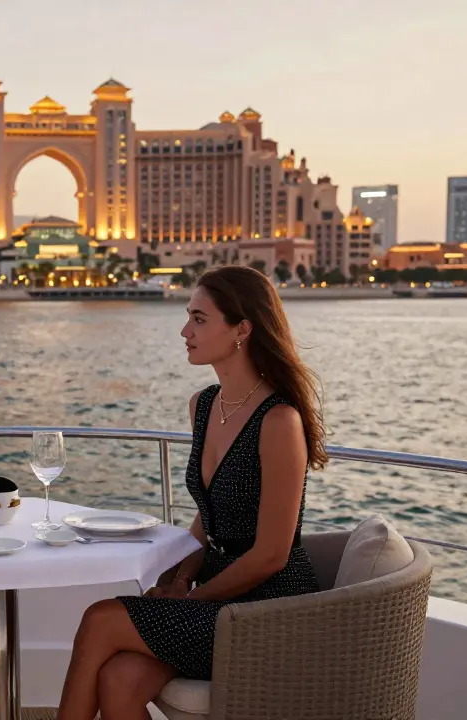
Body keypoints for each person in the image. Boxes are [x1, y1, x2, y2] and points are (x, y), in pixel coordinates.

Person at [55, 265, 327, 720]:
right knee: (118, 681)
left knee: (102, 618)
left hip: (268, 609)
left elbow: (271, 556)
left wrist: (192, 599)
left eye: (199, 319)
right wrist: (181, 577)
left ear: (242, 329)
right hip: (214, 593)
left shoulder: (279, 421)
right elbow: (209, 515)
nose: (185, 330)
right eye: (188, 317)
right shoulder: (203, 405)